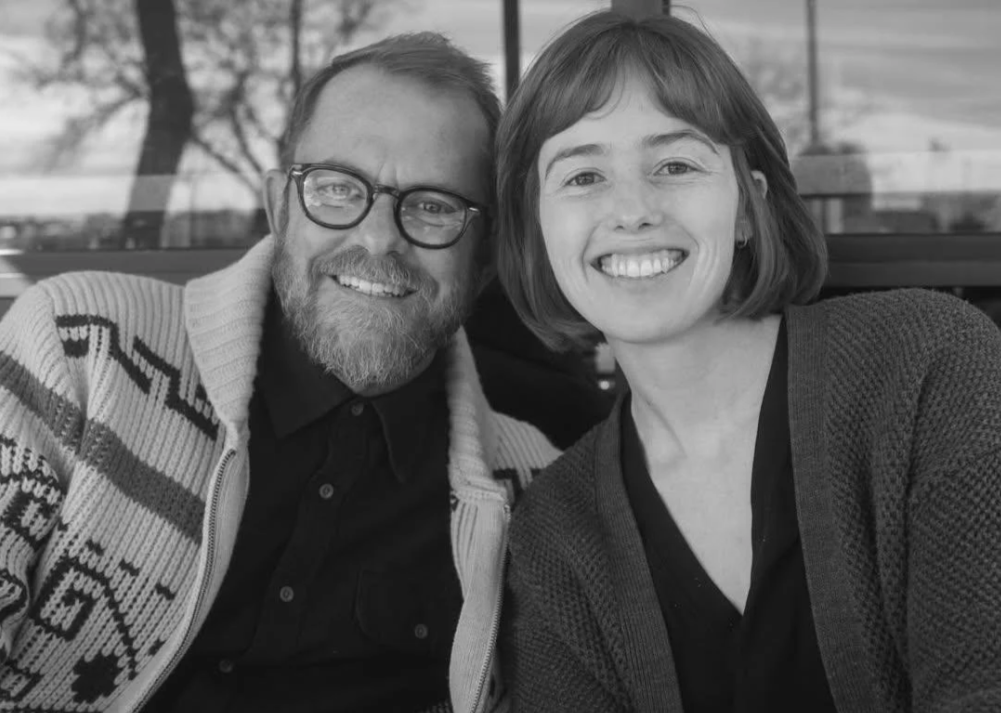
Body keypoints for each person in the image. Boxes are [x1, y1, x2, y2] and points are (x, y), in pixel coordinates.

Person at [0, 33, 573, 713]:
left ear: (483, 258)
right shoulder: (78, 349)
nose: (378, 238)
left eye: (432, 206)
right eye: (336, 188)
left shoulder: (531, 492)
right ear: (279, 206)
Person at [494, 11, 1001, 713]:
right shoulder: (557, 529)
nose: (631, 209)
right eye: (582, 176)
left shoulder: (926, 365)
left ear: (745, 205)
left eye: (674, 164)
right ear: (536, 226)